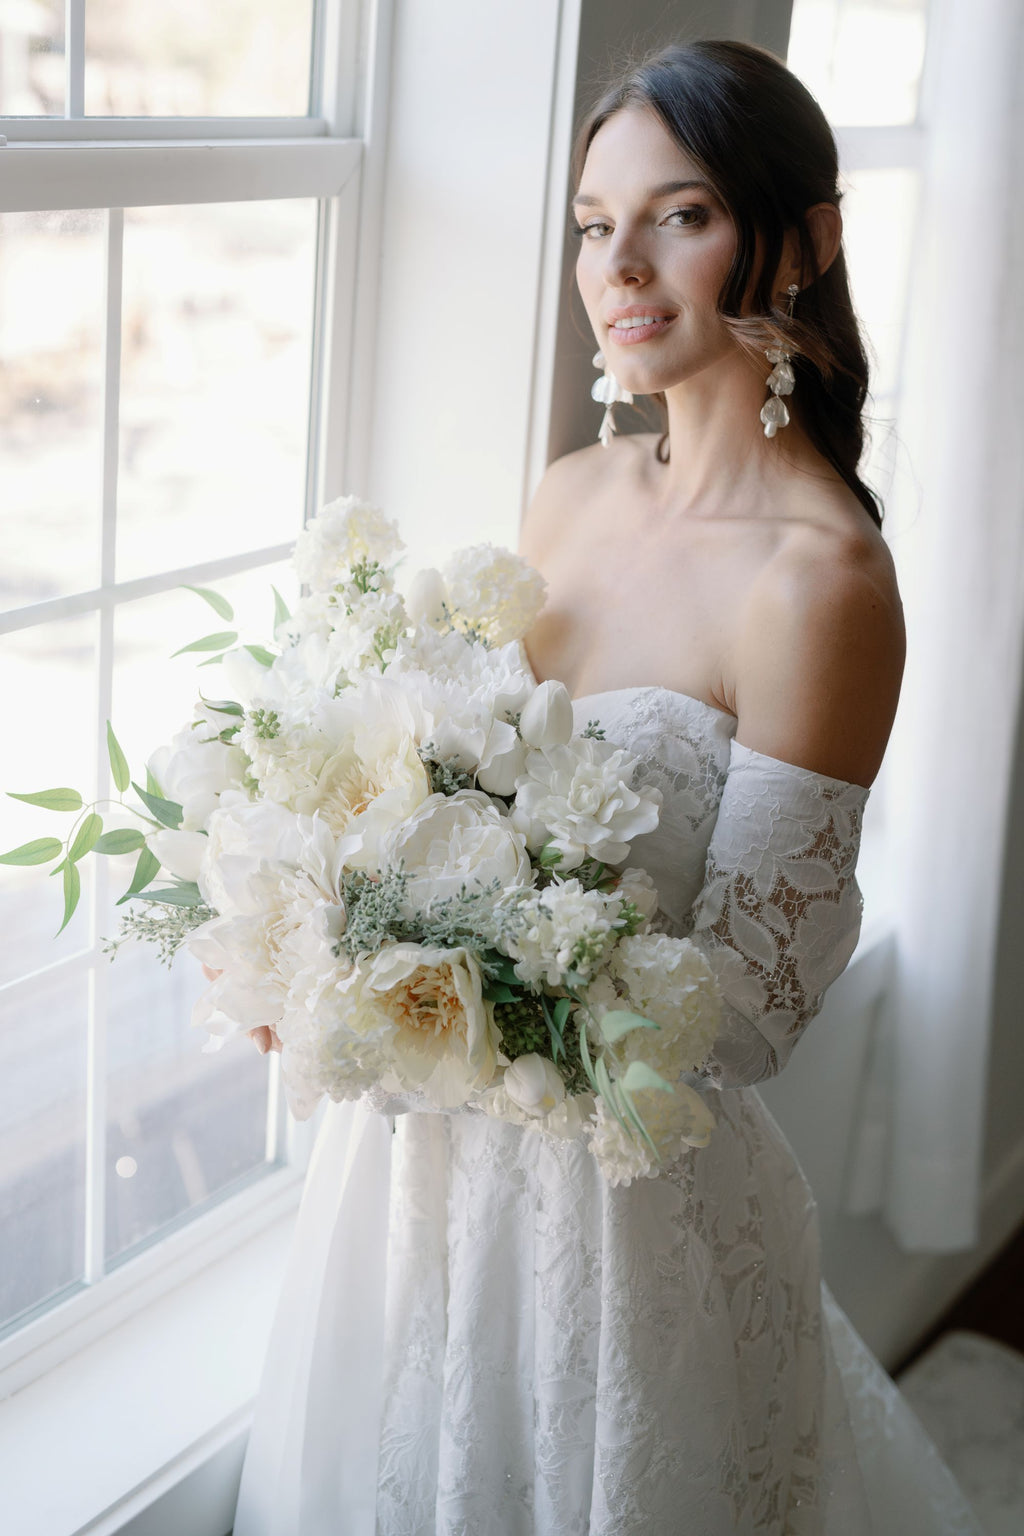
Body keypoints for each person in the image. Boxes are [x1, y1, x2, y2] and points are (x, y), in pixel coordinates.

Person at [233, 40, 982, 1535]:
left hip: (624, 1216)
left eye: (680, 215)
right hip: (417, 1176)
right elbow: (454, 778)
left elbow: (756, 1004)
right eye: (592, 221)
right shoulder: (569, 492)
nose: (619, 266)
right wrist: (332, 927)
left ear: (809, 235)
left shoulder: (821, 585)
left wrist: (483, 982)